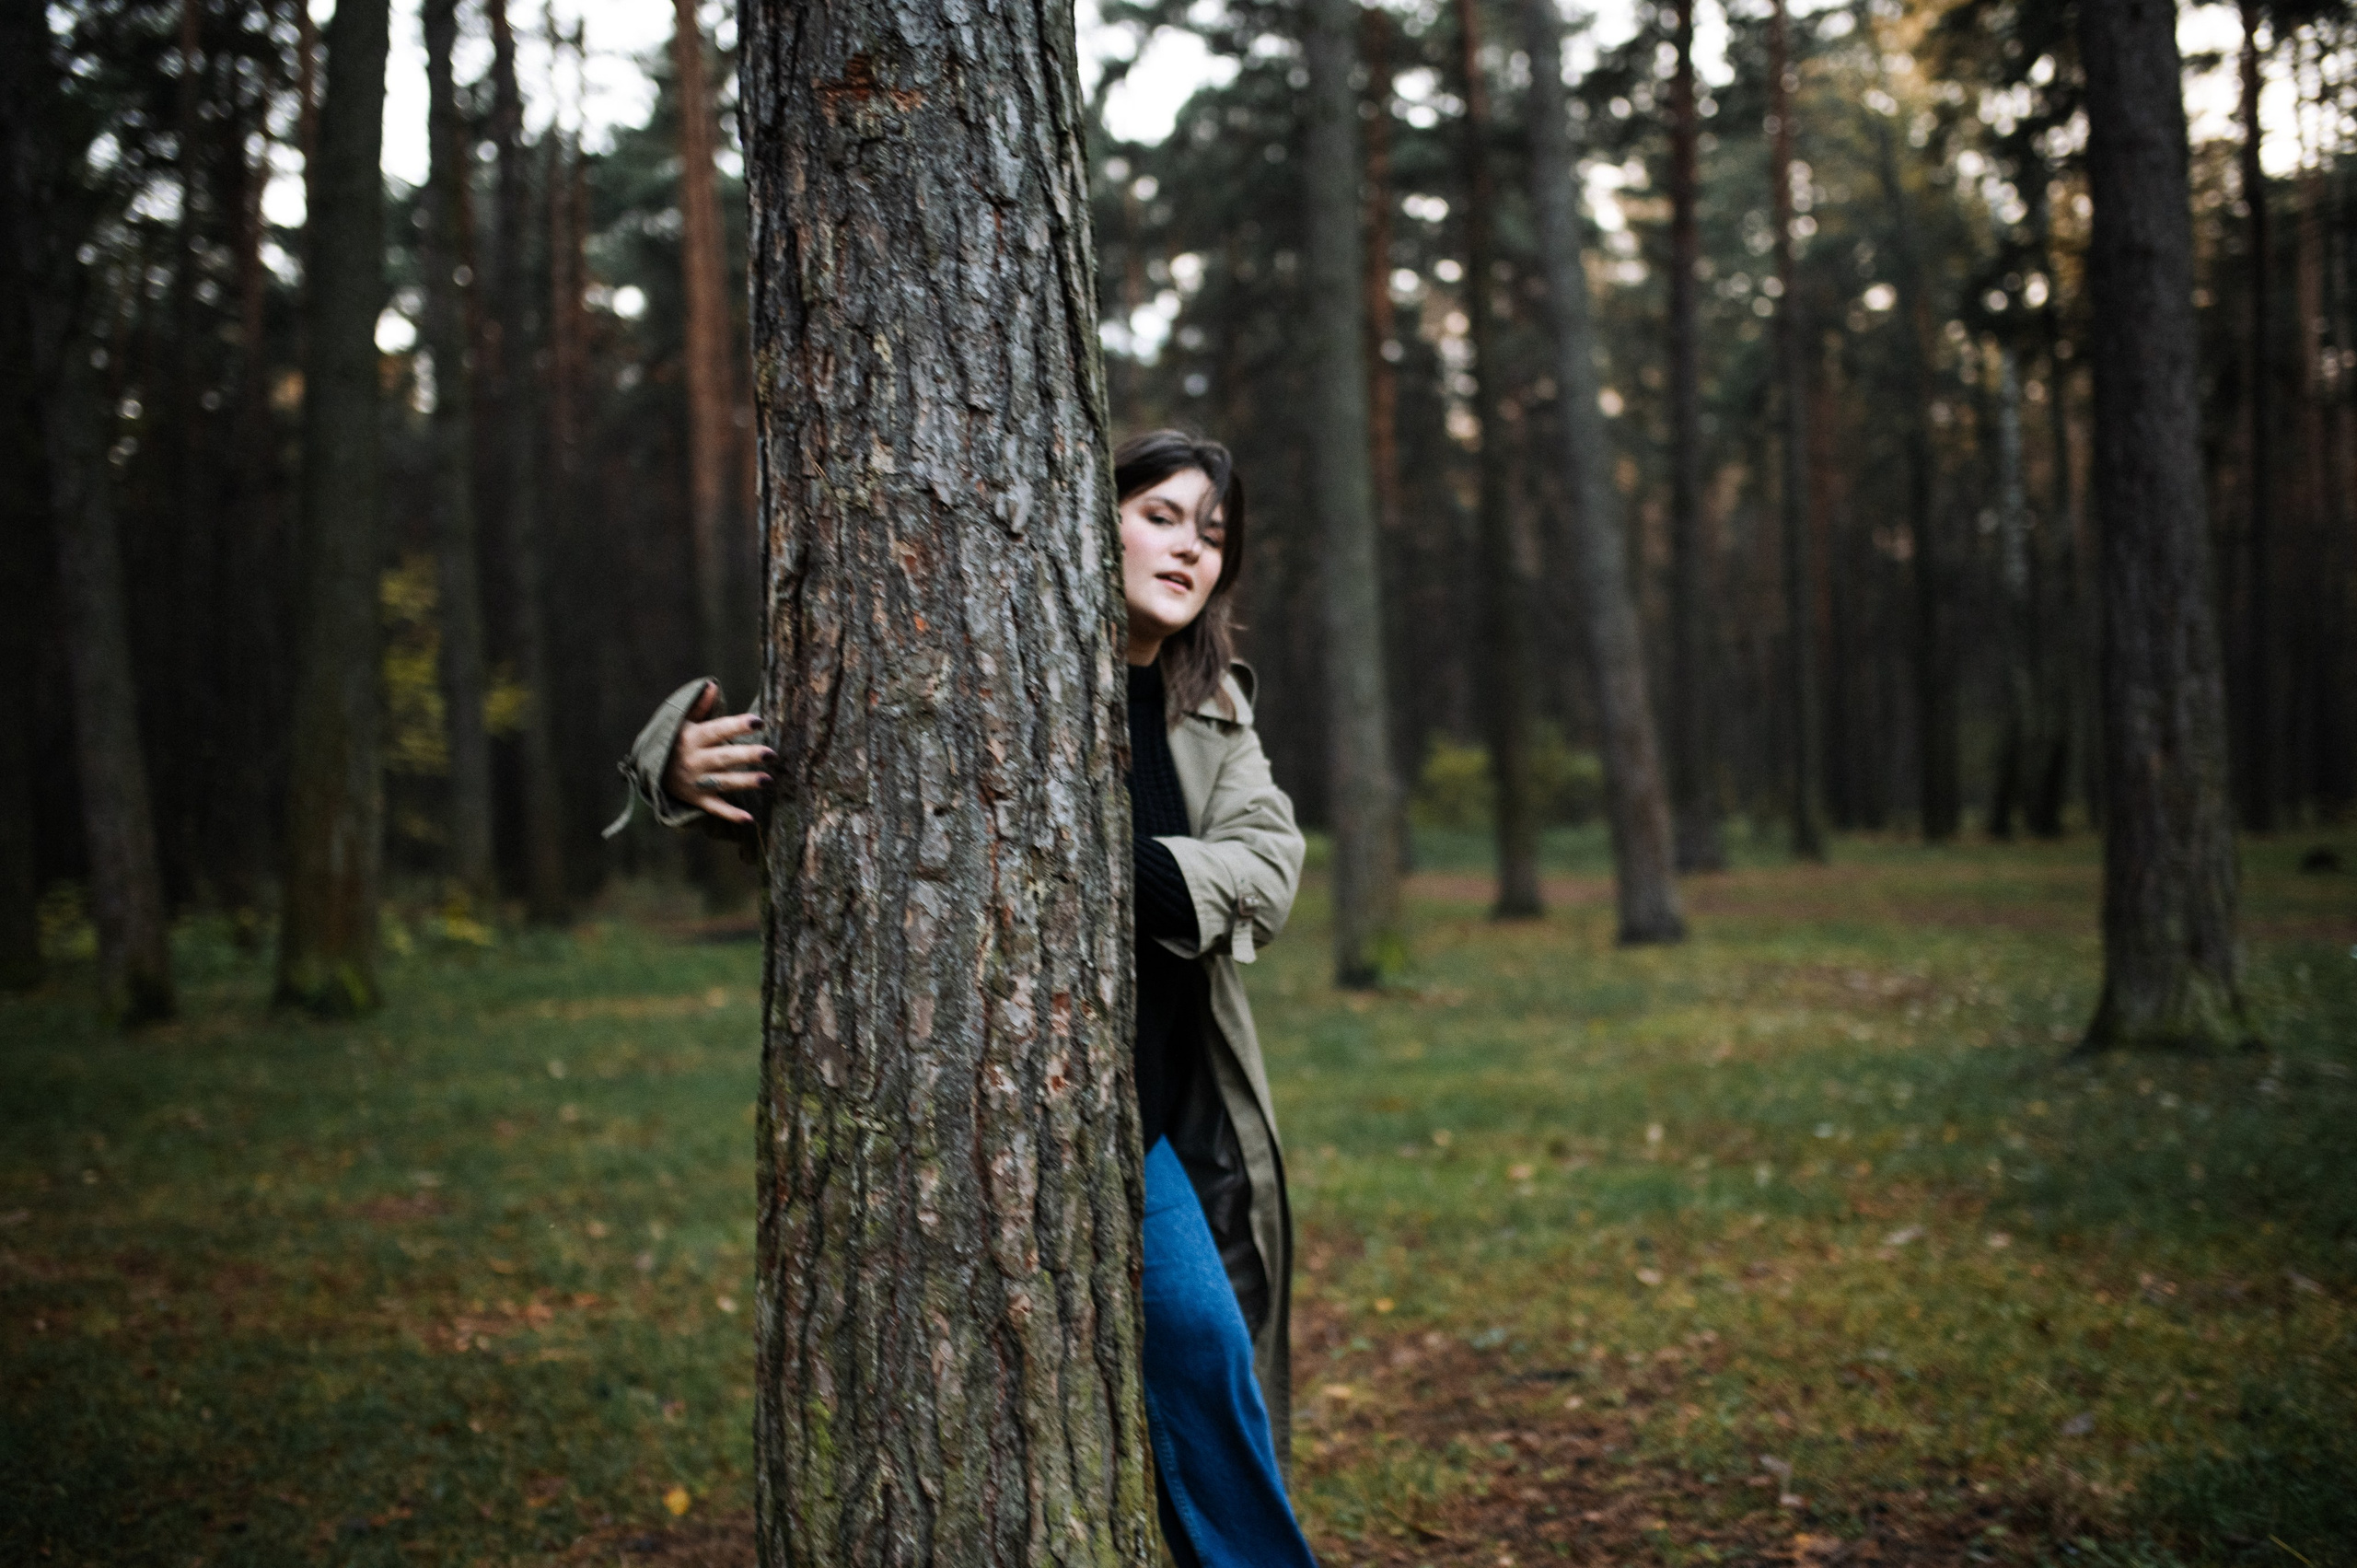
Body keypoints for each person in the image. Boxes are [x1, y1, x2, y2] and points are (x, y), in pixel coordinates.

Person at [610, 430, 1317, 1568]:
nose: (1189, 547)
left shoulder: (1213, 710)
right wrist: (673, 764)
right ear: (1092, 519)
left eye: (1212, 535)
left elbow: (1268, 870)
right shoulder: (991, 643)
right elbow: (805, 742)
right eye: (1161, 514)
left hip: (1139, 1116)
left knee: (1200, 1344)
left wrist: (1093, 862)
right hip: (949, 1109)